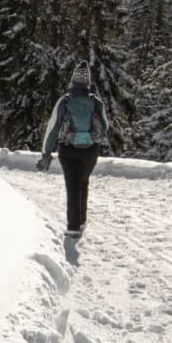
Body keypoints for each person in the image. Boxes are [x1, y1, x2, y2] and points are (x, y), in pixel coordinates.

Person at [36, 61, 110, 238]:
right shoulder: (96, 102)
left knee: (72, 185)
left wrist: (46, 153)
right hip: (91, 149)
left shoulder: (65, 101)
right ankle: (82, 219)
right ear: (88, 84)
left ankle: (73, 227)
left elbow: (53, 128)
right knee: (83, 181)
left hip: (68, 149)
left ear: (72, 82)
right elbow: (105, 125)